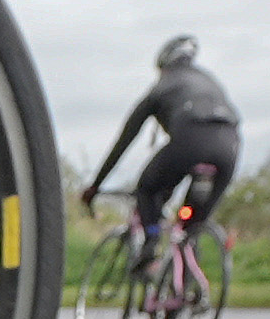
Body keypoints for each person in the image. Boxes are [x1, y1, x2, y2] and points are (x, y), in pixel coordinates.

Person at [80, 33, 243, 252]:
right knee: (190, 226)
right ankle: (188, 275)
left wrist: (95, 185)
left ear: (164, 65)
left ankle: (151, 243)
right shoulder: (209, 80)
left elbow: (124, 140)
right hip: (230, 144)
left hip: (190, 142)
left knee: (147, 190)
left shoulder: (161, 87)